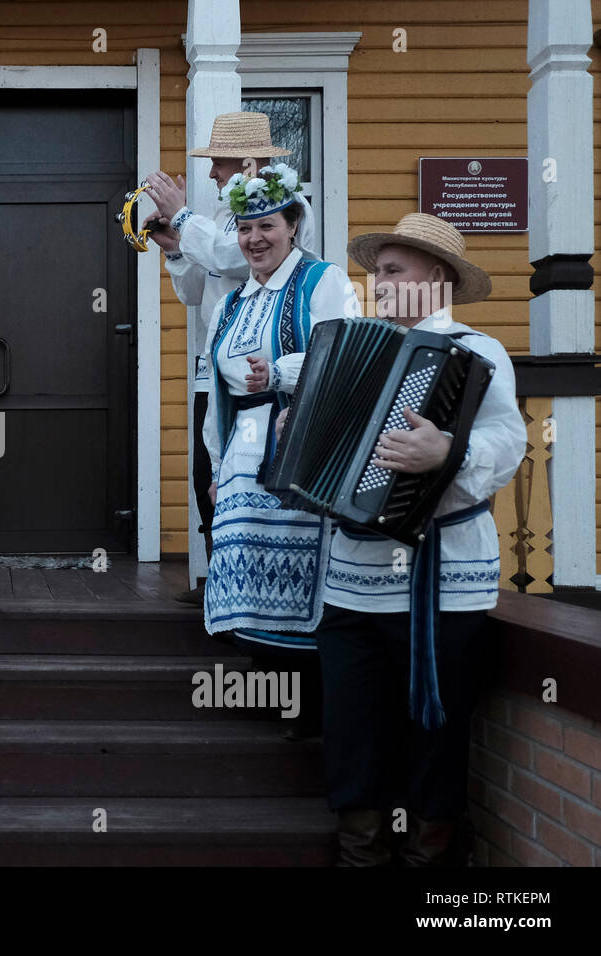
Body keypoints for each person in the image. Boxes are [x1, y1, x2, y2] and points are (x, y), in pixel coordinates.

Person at [313, 213, 525, 865]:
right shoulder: (356, 348)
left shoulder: (475, 350)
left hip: (442, 577)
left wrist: (447, 452)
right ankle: (360, 851)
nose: (377, 282)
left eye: (392, 270)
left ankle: (430, 862)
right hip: (352, 576)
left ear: (435, 278)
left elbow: (509, 441)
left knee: (436, 733)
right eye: (375, 271)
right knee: (351, 728)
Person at [200, 164, 359, 738]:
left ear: (294, 225)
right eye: (244, 228)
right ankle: (271, 698)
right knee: (252, 575)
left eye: (266, 225)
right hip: (245, 452)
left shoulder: (322, 281)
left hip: (301, 444)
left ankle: (309, 709)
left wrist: (284, 372)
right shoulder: (230, 302)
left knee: (301, 574)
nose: (254, 239)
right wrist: (217, 467)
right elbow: (217, 393)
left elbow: (345, 353)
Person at [143, 111, 318, 606]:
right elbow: (199, 291)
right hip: (217, 368)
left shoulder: (287, 204)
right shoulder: (220, 218)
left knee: (263, 471)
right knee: (209, 475)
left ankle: (267, 584)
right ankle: (223, 578)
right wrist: (176, 251)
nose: (213, 175)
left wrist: (181, 217)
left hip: (271, 368)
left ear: (244, 160)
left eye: (217, 165)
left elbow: (228, 257)